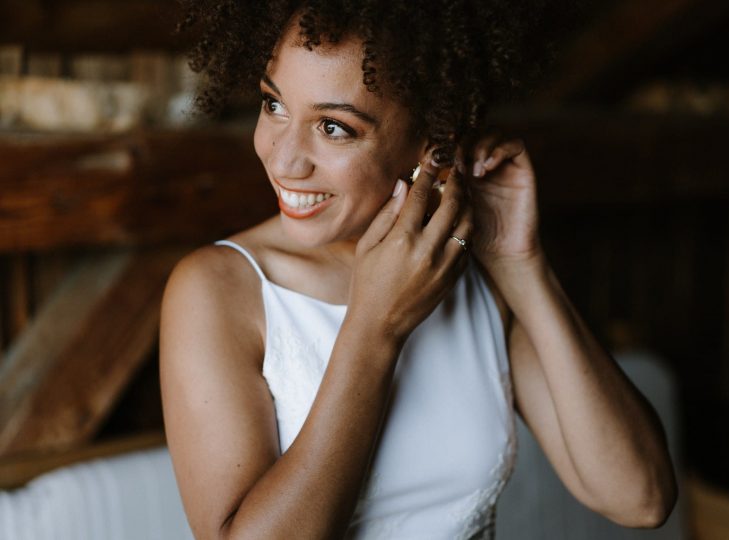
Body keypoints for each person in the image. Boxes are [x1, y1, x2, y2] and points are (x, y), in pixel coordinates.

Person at [159, 1, 678, 538]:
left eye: (333, 127)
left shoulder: (473, 274)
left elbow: (641, 498)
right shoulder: (220, 288)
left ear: (432, 139)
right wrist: (373, 329)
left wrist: (522, 265)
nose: (284, 158)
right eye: (274, 104)